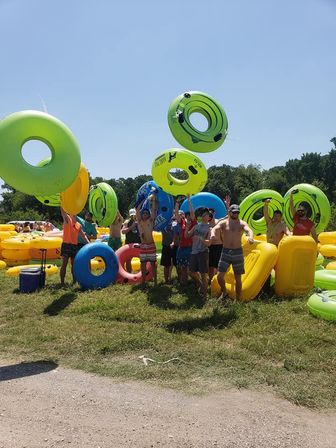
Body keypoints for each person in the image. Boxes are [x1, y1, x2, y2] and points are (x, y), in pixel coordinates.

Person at [213, 204, 254, 301]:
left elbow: (249, 230)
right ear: (229, 212)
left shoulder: (242, 223)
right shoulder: (223, 223)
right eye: (234, 212)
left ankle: (238, 299)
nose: (236, 214)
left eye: (237, 212)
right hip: (225, 252)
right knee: (219, 276)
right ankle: (224, 292)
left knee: (238, 277)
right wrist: (212, 234)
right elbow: (215, 228)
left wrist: (251, 237)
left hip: (237, 252)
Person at [60, 207, 90, 286]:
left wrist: (89, 243)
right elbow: (63, 213)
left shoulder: (78, 224)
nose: (74, 213)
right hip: (66, 244)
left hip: (74, 246)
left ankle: (74, 281)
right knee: (64, 264)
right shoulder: (67, 219)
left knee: (74, 265)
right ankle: (62, 282)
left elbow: (83, 236)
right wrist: (62, 204)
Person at [186, 208, 211, 299]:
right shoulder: (196, 226)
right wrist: (187, 227)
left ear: (209, 217)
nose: (204, 216)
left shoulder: (210, 228)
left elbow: (208, 243)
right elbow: (187, 235)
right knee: (190, 272)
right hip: (194, 251)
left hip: (203, 252)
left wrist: (200, 237)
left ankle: (205, 295)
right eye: (203, 214)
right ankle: (201, 285)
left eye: (206, 214)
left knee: (203, 274)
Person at [136, 193, 158, 286]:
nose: (145, 214)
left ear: (148, 215)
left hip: (151, 245)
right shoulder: (140, 222)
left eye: (146, 213)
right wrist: (142, 201)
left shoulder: (150, 221)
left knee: (153, 265)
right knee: (143, 265)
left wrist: (153, 199)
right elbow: (137, 210)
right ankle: (143, 281)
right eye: (143, 213)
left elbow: (154, 210)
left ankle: (156, 282)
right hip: (143, 246)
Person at [175, 195, 197, 286]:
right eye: (187, 215)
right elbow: (176, 214)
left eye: (189, 215)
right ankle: (184, 283)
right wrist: (177, 203)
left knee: (191, 268)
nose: (188, 217)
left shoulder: (194, 222)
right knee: (183, 267)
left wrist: (189, 201)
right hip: (182, 247)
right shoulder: (182, 223)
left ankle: (198, 283)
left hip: (190, 248)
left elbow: (192, 212)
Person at [208, 208, 226, 281]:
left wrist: (227, 205)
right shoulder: (206, 223)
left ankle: (219, 281)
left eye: (211, 213)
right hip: (209, 247)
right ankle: (211, 281)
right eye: (208, 214)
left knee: (219, 266)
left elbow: (228, 216)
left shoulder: (218, 221)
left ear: (214, 214)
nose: (210, 215)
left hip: (219, 246)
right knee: (210, 266)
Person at [160, 219, 178, 283]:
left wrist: (173, 242)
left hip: (175, 246)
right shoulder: (162, 224)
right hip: (166, 246)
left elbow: (175, 234)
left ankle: (180, 280)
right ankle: (166, 280)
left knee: (177, 264)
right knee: (166, 265)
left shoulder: (175, 223)